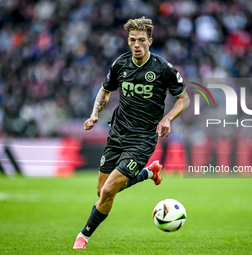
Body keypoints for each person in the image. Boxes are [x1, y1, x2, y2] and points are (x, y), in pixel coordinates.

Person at [73, 16, 190, 249]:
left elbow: (184, 99)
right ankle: (149, 173)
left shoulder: (163, 68)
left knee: (108, 191)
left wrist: (167, 118)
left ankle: (82, 237)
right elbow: (105, 91)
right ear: (128, 41)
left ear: (150, 41)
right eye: (132, 40)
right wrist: (95, 114)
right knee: (102, 191)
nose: (136, 44)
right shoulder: (120, 64)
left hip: (142, 139)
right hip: (117, 133)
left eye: (141, 40)